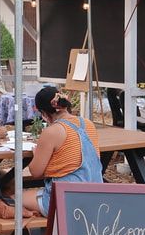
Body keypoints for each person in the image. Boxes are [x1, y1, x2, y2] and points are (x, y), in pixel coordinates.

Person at [13, 86, 102, 216]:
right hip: (96, 197)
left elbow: (35, 172)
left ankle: (31, 231)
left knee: (12, 199)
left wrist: (37, 154)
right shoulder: (88, 124)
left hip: (65, 201)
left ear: (44, 113)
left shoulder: (52, 131)